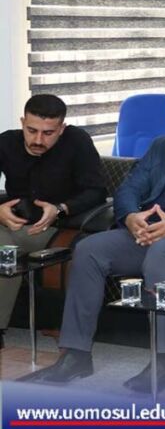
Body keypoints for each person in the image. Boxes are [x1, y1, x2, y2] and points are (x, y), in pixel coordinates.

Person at [24, 72, 165, 390]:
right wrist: (132, 217)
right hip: (151, 232)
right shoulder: (161, 146)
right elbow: (129, 189)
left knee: (163, 250)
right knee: (89, 249)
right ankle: (76, 353)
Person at [0, 95, 106, 347]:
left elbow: (97, 191)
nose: (38, 140)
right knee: (4, 248)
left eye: (48, 133)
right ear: (22, 122)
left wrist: (60, 209)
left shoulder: (77, 141)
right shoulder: (6, 142)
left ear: (62, 128)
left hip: (57, 227)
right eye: (31, 130)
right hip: (12, 225)